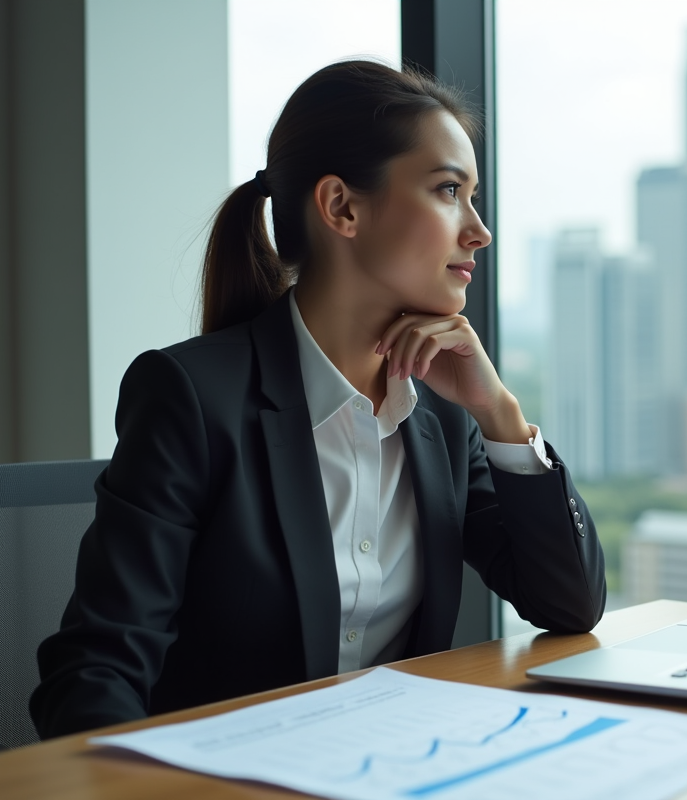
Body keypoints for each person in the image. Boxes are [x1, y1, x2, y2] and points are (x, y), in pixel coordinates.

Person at [30, 60, 606, 739]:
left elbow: (568, 603)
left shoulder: (445, 417)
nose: (479, 230)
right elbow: (95, 674)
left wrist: (501, 416)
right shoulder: (192, 398)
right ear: (342, 207)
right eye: (450, 190)